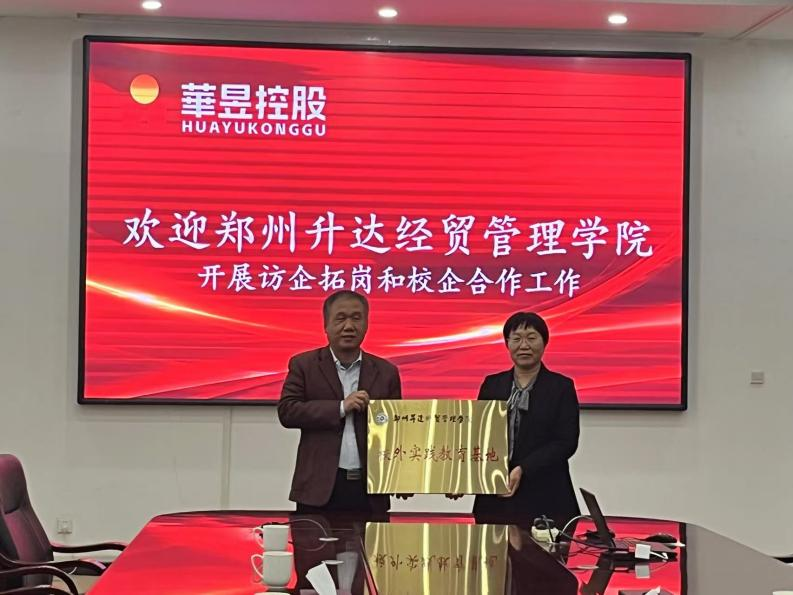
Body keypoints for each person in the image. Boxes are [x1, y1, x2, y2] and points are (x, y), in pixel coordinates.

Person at [278, 290, 402, 515]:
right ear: (326, 325)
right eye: (340, 318)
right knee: (313, 540)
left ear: (367, 324)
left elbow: (396, 430)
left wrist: (403, 477)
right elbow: (288, 411)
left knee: (373, 540)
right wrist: (341, 407)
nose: (349, 326)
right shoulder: (304, 365)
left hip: (370, 490)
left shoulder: (386, 372)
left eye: (356, 318)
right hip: (318, 488)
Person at [471, 312, 580, 525]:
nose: (524, 345)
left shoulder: (561, 387)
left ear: (544, 342)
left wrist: (524, 468)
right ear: (507, 343)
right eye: (516, 338)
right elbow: (477, 435)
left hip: (546, 497)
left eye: (531, 338)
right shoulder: (492, 385)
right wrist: (459, 477)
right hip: (494, 498)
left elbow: (566, 442)